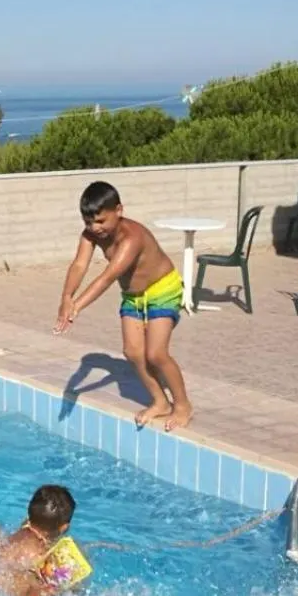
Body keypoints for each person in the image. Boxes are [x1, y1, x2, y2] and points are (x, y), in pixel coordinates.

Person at [54, 181, 193, 431]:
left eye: (100, 221)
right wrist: (66, 297)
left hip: (163, 290)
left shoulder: (132, 238)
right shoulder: (90, 235)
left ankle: (182, 405)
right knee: (132, 352)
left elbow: (107, 277)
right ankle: (160, 402)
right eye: (88, 222)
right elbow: (79, 265)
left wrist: (76, 307)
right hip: (133, 296)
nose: (95, 228)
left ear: (119, 210)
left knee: (156, 354)